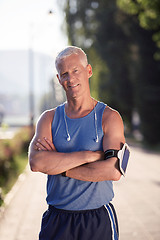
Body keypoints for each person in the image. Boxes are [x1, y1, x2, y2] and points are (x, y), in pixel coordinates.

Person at [28, 46, 127, 240]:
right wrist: (88, 156)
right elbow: (36, 163)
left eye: (75, 71)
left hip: (97, 218)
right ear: (59, 79)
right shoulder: (48, 119)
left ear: (88, 71)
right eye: (64, 74)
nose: (70, 79)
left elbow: (113, 171)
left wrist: (60, 168)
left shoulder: (109, 118)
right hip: (57, 218)